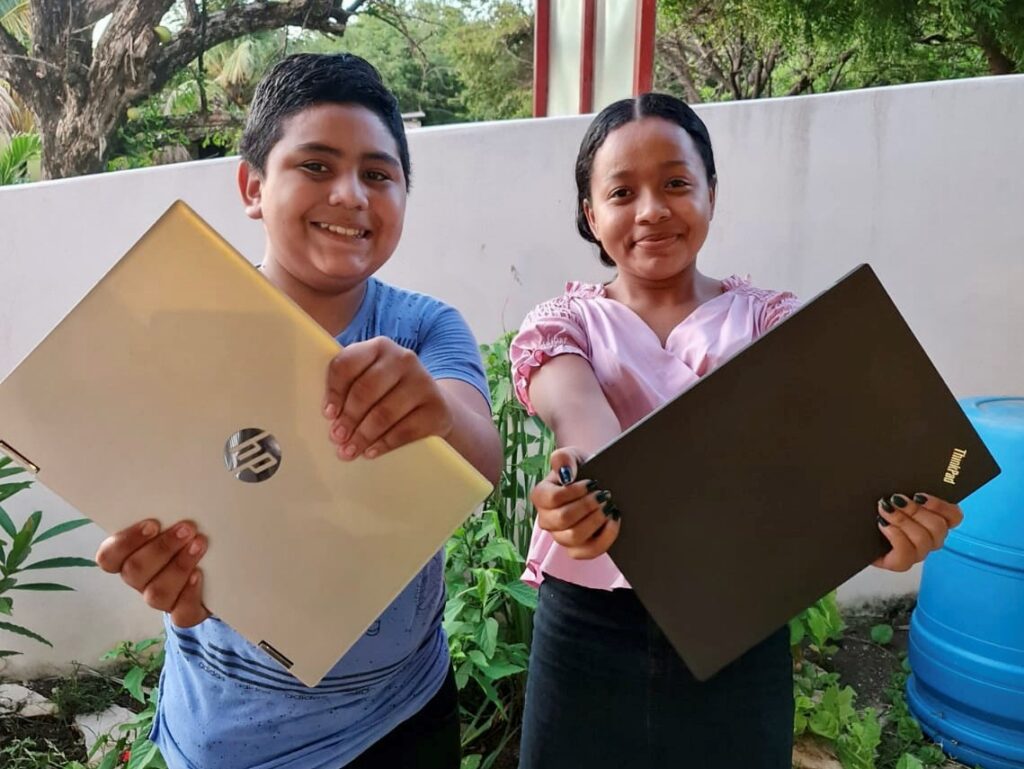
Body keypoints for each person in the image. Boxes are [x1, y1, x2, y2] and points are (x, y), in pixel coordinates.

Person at [509, 93, 964, 769]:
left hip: (739, 625)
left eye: (676, 183)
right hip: (587, 625)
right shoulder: (562, 323)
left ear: (712, 195)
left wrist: (877, 537)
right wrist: (586, 481)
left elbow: (831, 464)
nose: (653, 209)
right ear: (590, 213)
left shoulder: (774, 324)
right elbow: (579, 417)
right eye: (622, 191)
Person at [94, 53, 502, 769]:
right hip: (229, 732)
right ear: (252, 185)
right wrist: (167, 576)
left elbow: (484, 465)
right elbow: (154, 511)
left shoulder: (424, 329)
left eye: (379, 174)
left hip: (401, 714)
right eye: (316, 165)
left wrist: (432, 409)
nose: (350, 194)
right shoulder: (183, 332)